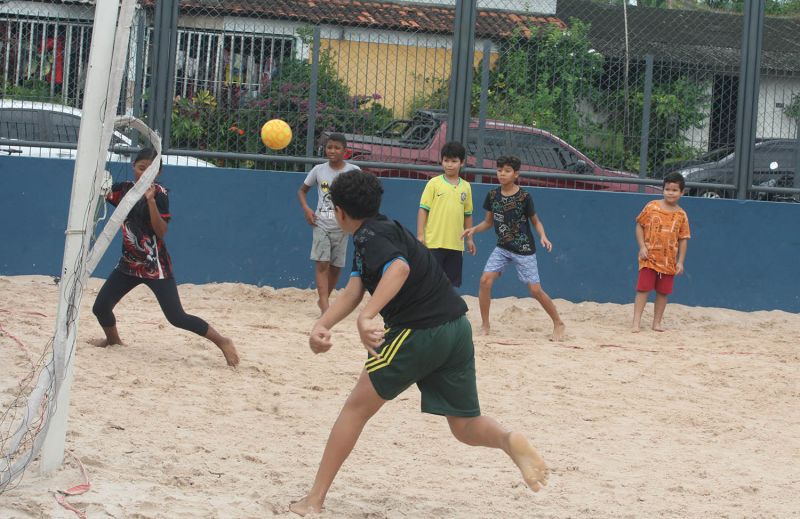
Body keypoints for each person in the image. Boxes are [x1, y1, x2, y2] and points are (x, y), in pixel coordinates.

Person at [289, 170, 547, 516]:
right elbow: (355, 288)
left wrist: (367, 317)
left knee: (355, 409)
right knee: (464, 425)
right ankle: (507, 440)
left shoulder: (368, 237)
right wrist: (323, 323)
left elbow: (398, 270)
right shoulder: (384, 228)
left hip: (419, 331)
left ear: (339, 212)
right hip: (456, 327)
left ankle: (314, 499)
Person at [91, 148, 239, 367]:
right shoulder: (123, 191)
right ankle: (113, 341)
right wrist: (98, 185)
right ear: (134, 167)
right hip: (129, 265)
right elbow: (99, 193)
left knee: (176, 317)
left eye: (150, 171)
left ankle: (222, 341)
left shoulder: (160, 195)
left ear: (158, 174)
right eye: (141, 168)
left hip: (155, 267)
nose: (145, 174)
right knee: (101, 307)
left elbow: (161, 231)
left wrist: (150, 202)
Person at [462, 156, 566, 341]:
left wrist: (543, 236)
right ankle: (485, 325)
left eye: (507, 170)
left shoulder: (524, 196)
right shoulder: (492, 195)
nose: (502, 173)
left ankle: (558, 323)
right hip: (502, 248)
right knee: (485, 280)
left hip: (524, 249)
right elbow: (488, 222)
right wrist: (473, 230)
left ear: (516, 174)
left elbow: (536, 221)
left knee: (535, 290)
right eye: (499, 169)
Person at [298, 133, 361, 313]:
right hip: (321, 224)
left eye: (337, 148)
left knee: (335, 266)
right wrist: (307, 209)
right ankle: (325, 306)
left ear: (345, 151)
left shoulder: (353, 171)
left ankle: (323, 299)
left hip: (343, 227)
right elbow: (302, 191)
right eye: (329, 147)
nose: (332, 151)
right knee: (322, 263)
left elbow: (363, 192)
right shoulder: (318, 170)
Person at [631, 172, 691, 332]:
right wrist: (642, 246)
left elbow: (684, 238)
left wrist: (680, 261)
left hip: (668, 261)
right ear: (662, 190)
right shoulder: (652, 206)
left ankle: (656, 323)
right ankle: (636, 322)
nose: (670, 193)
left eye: (674, 190)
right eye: (667, 189)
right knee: (643, 289)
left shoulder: (681, 215)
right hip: (648, 257)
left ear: (682, 192)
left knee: (663, 292)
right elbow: (639, 225)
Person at [416, 141, 476, 287]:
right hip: (434, 242)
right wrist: (420, 235)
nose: (449, 164)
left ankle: (447, 310)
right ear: (441, 161)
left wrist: (469, 239)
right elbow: (423, 209)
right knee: (430, 280)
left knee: (450, 283)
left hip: (456, 244)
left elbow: (467, 215)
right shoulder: (434, 183)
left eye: (454, 161)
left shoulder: (466, 187)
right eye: (446, 160)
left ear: (462, 162)